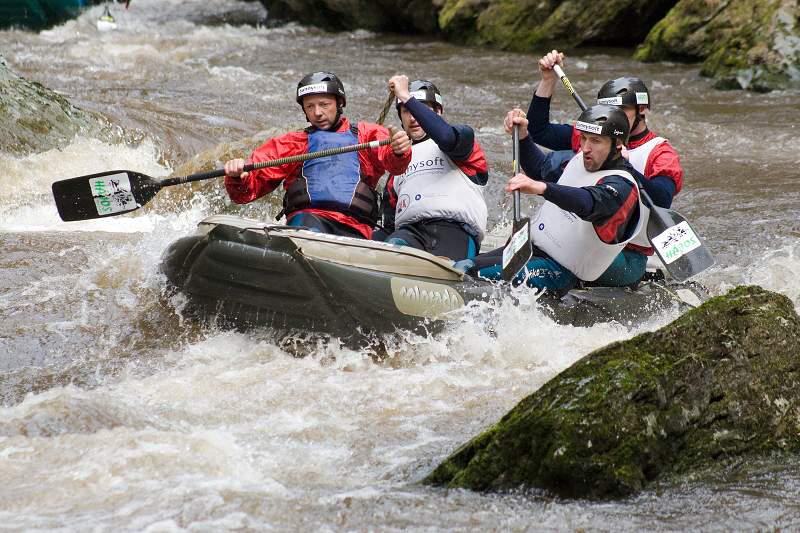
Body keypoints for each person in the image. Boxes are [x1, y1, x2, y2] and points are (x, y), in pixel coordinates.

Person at [527, 50, 684, 286]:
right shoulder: (596, 135)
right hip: (584, 238)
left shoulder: (660, 153)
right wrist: (547, 80)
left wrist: (626, 166)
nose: (611, 117)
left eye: (621, 111)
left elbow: (662, 199)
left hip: (627, 255)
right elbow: (538, 130)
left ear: (641, 110)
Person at [462, 105, 643, 294]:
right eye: (583, 139)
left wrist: (542, 188)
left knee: (479, 276)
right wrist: (523, 136)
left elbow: (587, 202)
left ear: (618, 144)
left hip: (560, 271)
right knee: (465, 266)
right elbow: (539, 168)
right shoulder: (578, 161)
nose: (586, 148)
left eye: (595, 141)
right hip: (530, 250)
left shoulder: (623, 186)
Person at [223, 71, 412, 239]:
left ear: (339, 103)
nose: (318, 113)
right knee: (308, 232)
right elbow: (245, 193)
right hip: (308, 220)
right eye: (310, 106)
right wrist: (237, 177)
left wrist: (398, 150)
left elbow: (396, 165)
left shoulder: (367, 134)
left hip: (355, 227)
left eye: (324, 104)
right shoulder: (292, 143)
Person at [377, 76, 489, 260]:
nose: (412, 118)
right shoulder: (397, 164)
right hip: (409, 233)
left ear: (438, 112)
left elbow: (445, 136)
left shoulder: (462, 139)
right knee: (392, 248)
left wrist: (405, 96)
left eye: (419, 109)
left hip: (455, 232)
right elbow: (388, 227)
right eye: (405, 111)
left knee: (455, 268)